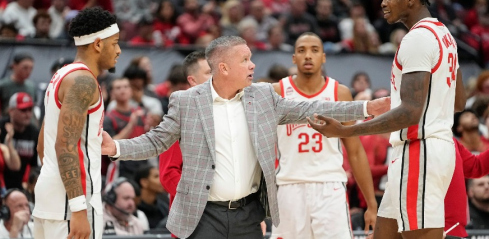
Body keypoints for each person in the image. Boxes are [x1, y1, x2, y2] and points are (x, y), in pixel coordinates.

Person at [101, 35, 389, 239]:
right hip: (203, 216)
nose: (253, 65)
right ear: (223, 68)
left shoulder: (263, 96)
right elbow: (156, 140)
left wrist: (365, 107)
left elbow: (311, 107)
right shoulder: (186, 101)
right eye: (246, 60)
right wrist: (116, 146)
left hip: (248, 215)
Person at [307, 0, 467, 239]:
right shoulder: (444, 35)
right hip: (429, 149)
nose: (382, 3)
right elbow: (459, 101)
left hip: (420, 151)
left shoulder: (417, 38)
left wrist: (346, 131)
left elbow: (410, 112)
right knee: (384, 234)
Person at [270, 32, 377, 239]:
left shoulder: (339, 93)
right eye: (302, 51)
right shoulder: (278, 91)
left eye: (314, 50)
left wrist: (371, 204)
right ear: (294, 58)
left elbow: (355, 151)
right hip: (288, 187)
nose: (308, 56)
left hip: (330, 186)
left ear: (324, 57)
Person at [32, 7, 121, 239]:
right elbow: (66, 146)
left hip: (49, 198)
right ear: (98, 44)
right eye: (115, 43)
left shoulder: (61, 75)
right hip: (72, 206)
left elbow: (43, 144)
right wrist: (79, 209)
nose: (119, 50)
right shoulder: (83, 82)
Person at [158, 50, 211, 238]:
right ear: (192, 81)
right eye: (209, 72)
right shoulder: (180, 116)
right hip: (195, 221)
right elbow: (168, 173)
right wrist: (202, 203)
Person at [0, 93, 38, 190]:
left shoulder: (34, 133)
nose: (28, 114)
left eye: (30, 110)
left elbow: (34, 166)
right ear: (11, 111)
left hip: (20, 187)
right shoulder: (1, 128)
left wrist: (30, 186)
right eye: (23, 110)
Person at [134, 164, 169, 229]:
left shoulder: (163, 207)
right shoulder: (133, 208)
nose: (162, 179)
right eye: (156, 176)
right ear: (144, 182)